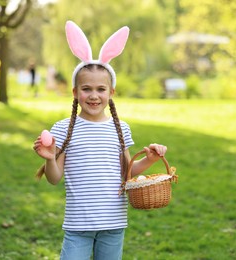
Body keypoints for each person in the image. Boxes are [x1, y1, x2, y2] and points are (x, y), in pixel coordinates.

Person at [33, 21, 168, 260]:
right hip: (79, 226)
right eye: (86, 89)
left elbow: (127, 173)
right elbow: (54, 179)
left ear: (111, 92)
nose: (93, 95)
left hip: (113, 224)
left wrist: (149, 160)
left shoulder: (120, 129)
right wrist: (49, 159)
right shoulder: (64, 128)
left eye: (100, 89)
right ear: (75, 92)